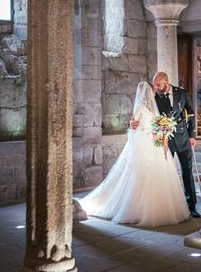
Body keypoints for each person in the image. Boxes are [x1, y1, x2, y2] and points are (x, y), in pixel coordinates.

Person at [78, 81, 189, 227]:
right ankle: (138, 210)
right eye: (151, 90)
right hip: (146, 144)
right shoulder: (140, 108)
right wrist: (151, 133)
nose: (154, 91)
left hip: (156, 142)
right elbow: (135, 131)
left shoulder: (152, 106)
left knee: (160, 173)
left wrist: (162, 131)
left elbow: (157, 123)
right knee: (143, 175)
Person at [131, 72, 201, 218]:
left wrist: (192, 135)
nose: (156, 87)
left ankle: (192, 206)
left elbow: (191, 113)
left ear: (167, 82)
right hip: (163, 142)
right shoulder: (153, 97)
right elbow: (141, 113)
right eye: (155, 85)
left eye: (158, 84)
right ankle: (169, 206)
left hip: (183, 138)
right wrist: (132, 123)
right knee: (166, 174)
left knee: (187, 173)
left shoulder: (181, 93)